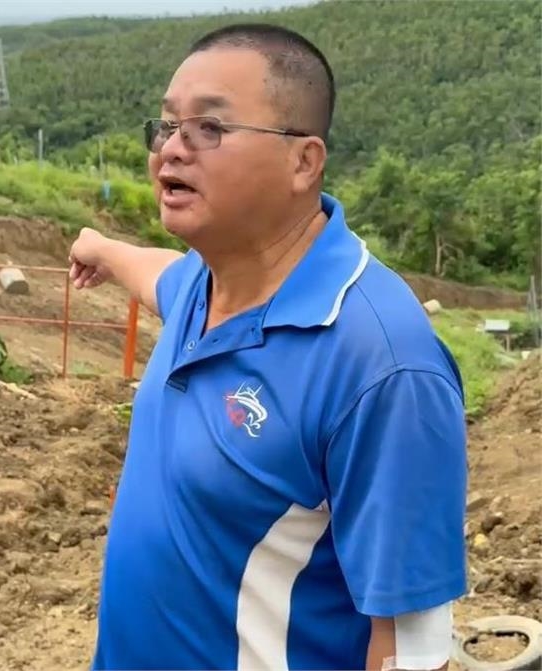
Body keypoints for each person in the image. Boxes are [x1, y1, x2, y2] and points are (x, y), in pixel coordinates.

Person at [68, 23, 467, 671]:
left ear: (303, 161)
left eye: (209, 129)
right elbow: (157, 275)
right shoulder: (208, 278)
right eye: (166, 126)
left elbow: (412, 648)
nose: (171, 150)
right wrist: (102, 250)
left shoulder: (379, 363)